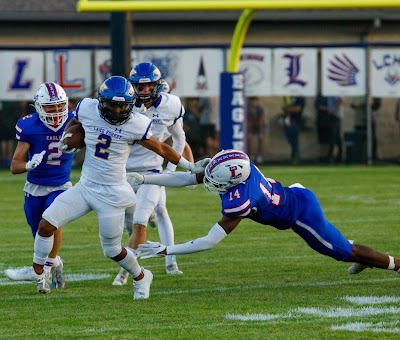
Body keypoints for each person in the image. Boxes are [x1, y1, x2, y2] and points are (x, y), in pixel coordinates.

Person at [5, 76, 210, 300]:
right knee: (46, 224)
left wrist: (189, 166)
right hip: (84, 187)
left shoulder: (136, 123)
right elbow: (76, 123)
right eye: (113, 104)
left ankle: (141, 276)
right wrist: (68, 137)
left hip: (111, 193)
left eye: (123, 105)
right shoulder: (88, 108)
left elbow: (161, 148)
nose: (118, 109)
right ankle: (37, 271)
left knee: (112, 251)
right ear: (102, 101)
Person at [129, 149, 400, 279]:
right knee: (340, 245)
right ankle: (362, 254)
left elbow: (210, 241)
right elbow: (188, 178)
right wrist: (145, 179)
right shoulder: (237, 168)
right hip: (294, 193)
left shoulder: (242, 200)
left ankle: (397, 265)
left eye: (215, 181)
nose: (208, 182)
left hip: (300, 214)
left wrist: (168, 250)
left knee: (340, 251)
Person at [111, 63, 187, 286]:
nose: (144, 91)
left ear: (157, 85)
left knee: (141, 220)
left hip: (152, 172)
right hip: (124, 172)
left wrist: (172, 170)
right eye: (139, 87)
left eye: (148, 86)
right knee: (127, 223)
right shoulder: (123, 103)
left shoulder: (171, 105)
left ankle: (129, 272)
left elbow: (180, 138)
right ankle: (145, 256)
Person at [6, 82, 74, 294]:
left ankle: (42, 271)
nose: (55, 111)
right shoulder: (29, 126)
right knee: (39, 233)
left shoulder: (75, 120)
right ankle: (55, 263)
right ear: (38, 107)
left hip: (61, 185)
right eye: (49, 107)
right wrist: (28, 164)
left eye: (59, 105)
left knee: (51, 223)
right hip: (35, 187)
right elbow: (14, 166)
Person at [281, 96, 305, 164]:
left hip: (296, 122)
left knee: (294, 140)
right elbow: (284, 107)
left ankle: (296, 157)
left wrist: (288, 109)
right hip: (288, 122)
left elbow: (297, 109)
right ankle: (293, 156)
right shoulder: (289, 97)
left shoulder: (300, 98)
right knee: (291, 140)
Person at [246, 96, 265, 164]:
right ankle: (251, 156)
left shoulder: (260, 109)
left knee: (261, 138)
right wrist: (250, 132)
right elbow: (248, 122)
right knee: (249, 138)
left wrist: (260, 132)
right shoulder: (247, 109)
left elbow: (261, 121)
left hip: (258, 126)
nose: (254, 102)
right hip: (250, 126)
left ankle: (259, 156)